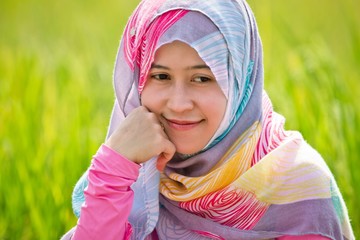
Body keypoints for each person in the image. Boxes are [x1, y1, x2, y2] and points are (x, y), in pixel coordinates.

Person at [62, 0, 355, 239]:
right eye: (160, 76)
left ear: (240, 83)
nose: (178, 104)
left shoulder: (297, 191)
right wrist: (113, 166)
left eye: (202, 78)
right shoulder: (135, 178)